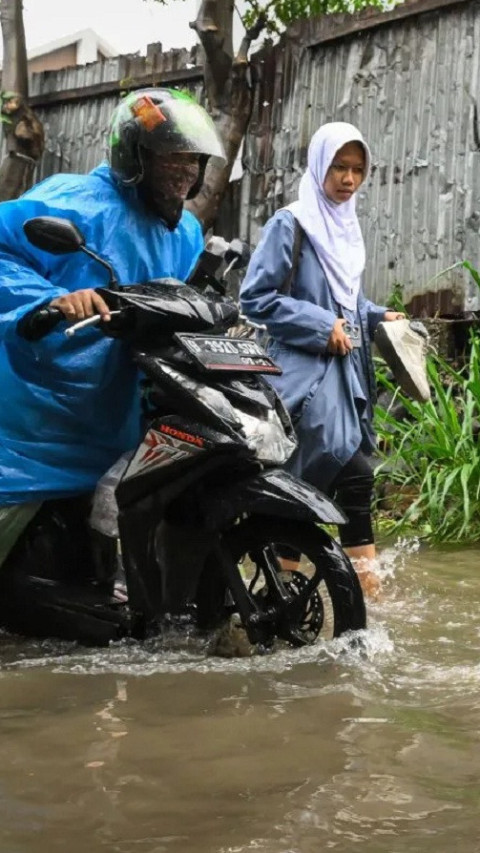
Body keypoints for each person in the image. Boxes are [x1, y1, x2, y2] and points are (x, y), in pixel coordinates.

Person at [0, 87, 225, 563]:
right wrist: (54, 299)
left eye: (193, 159)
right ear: (136, 156)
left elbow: (173, 298)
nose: (184, 171)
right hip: (43, 403)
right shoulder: (73, 201)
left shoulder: (183, 230)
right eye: (172, 157)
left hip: (122, 398)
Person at [240, 121, 404, 597]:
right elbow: (257, 298)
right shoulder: (291, 223)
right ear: (318, 165)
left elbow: (345, 298)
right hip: (302, 380)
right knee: (333, 477)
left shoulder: (346, 228)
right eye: (338, 167)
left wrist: (375, 315)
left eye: (357, 170)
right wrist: (318, 326)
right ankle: (319, 598)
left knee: (336, 482)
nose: (348, 179)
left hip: (346, 376)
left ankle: (303, 599)